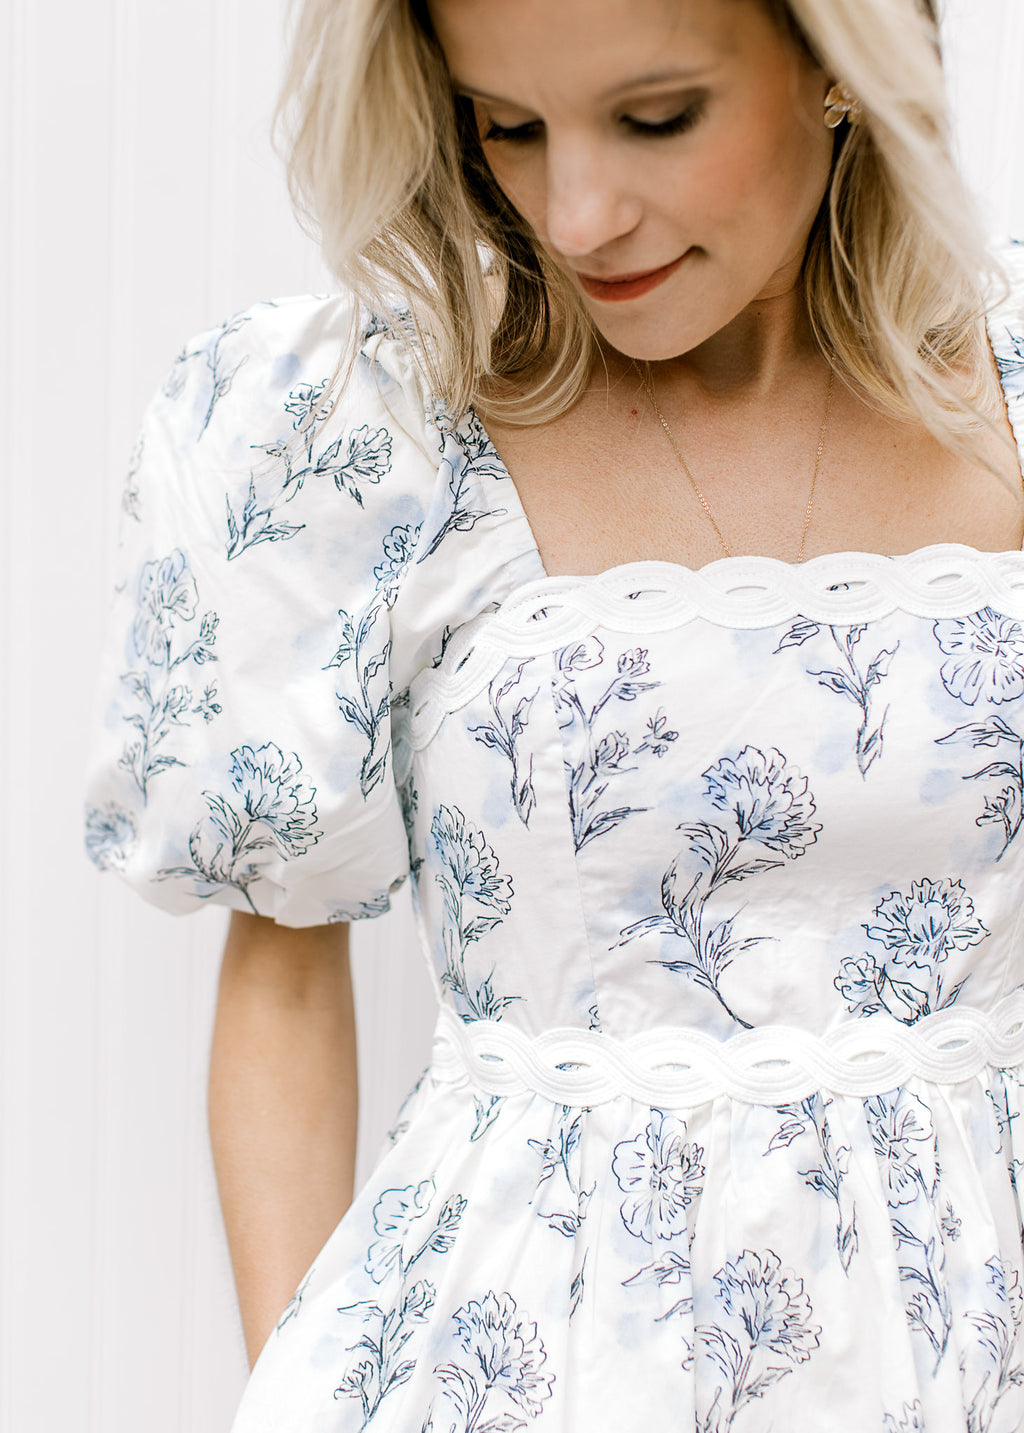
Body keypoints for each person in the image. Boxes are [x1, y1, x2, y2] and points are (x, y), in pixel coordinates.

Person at [84, 0, 1024, 1426]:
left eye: (657, 117)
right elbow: (281, 975)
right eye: (508, 127)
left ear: (839, 64)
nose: (578, 213)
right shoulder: (355, 427)